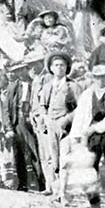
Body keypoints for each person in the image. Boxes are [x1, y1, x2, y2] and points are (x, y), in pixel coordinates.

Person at [70, 64, 105, 208]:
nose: (101, 80)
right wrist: (77, 135)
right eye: (98, 77)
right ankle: (94, 202)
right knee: (89, 170)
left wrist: (95, 127)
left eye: (104, 77)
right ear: (93, 78)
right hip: (91, 136)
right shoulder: (87, 95)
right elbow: (79, 117)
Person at [37, 51, 79, 198]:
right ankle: (53, 188)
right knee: (51, 158)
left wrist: (66, 119)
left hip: (66, 127)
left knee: (65, 158)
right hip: (50, 124)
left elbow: (80, 108)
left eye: (62, 65)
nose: (59, 68)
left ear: (67, 67)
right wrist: (45, 117)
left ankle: (65, 191)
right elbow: (42, 105)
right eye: (56, 65)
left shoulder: (72, 86)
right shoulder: (48, 86)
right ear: (51, 68)